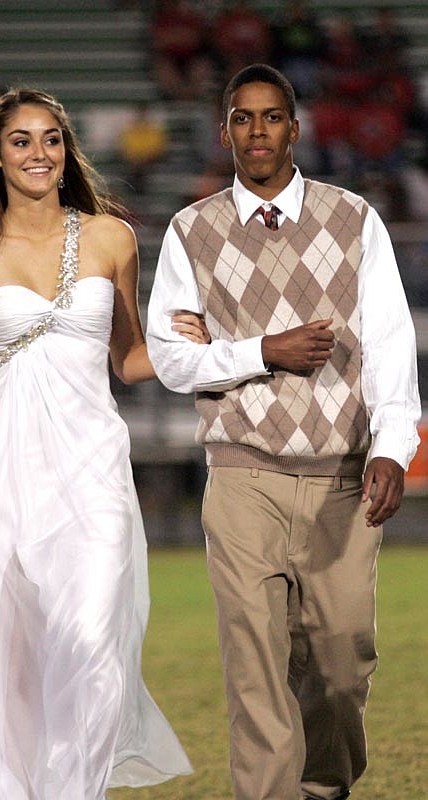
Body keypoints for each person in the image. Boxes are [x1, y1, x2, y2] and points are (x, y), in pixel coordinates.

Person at [0, 87, 211, 799]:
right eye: (20, 141)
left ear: (67, 152)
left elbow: (127, 358)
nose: (38, 153)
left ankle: (74, 790)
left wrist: (180, 343)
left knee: (94, 639)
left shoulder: (111, 238)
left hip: (92, 461)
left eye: (51, 139)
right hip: (1, 465)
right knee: (7, 655)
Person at [146, 64, 420, 800]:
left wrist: (393, 448)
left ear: (294, 129)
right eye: (242, 117)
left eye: (271, 117)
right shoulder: (190, 232)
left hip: (340, 477)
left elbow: (389, 344)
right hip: (242, 477)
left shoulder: (353, 218)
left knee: (339, 667)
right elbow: (170, 359)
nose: (256, 131)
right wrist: (258, 351)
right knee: (255, 668)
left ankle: (323, 788)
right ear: (225, 128)